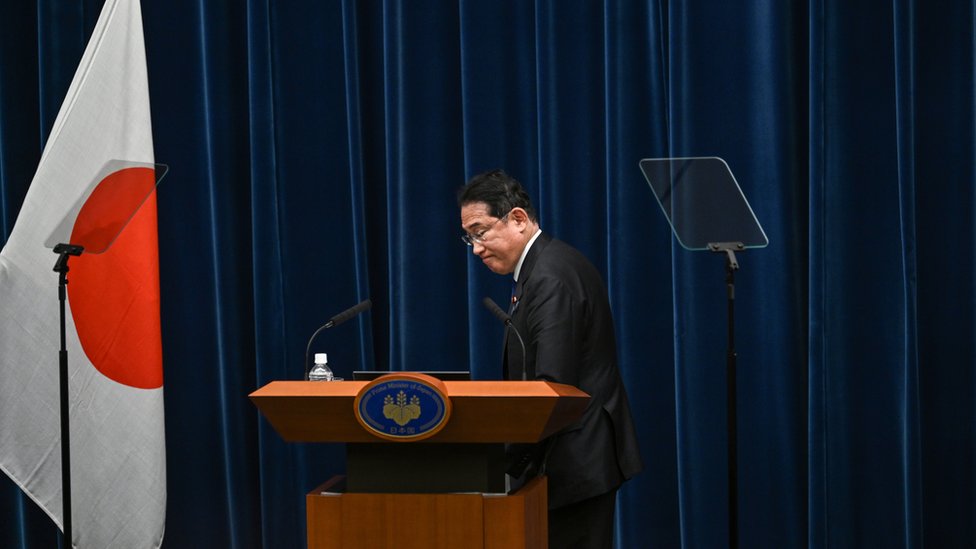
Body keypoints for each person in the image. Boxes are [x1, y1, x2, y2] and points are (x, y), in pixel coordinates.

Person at [458, 169, 643, 549]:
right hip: (575, 457)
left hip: (575, 462)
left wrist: (503, 464)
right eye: (469, 237)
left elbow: (551, 388)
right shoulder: (544, 267)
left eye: (480, 232)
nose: (475, 248)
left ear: (518, 219)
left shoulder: (550, 276)